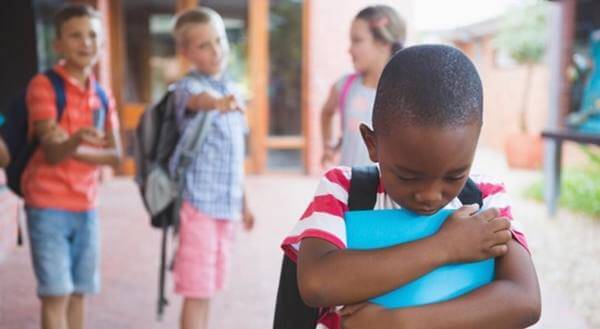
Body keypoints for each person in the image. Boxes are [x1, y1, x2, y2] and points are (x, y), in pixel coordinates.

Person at [282, 45, 541, 328]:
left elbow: (524, 300)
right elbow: (317, 283)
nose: (430, 196)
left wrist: (398, 323)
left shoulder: (486, 199)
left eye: (454, 176)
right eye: (408, 177)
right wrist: (445, 246)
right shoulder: (343, 191)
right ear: (372, 144)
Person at [22, 4, 122, 329]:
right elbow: (51, 154)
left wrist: (69, 143)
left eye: (93, 35)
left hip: (87, 206)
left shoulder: (103, 95)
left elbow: (117, 157)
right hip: (47, 205)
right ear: (58, 45)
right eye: (75, 35)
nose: (86, 43)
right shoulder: (44, 85)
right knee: (56, 295)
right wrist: (78, 139)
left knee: (79, 294)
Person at [170, 7, 255, 329]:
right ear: (186, 53)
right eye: (204, 45)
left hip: (226, 207)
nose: (216, 49)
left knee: (209, 289)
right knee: (196, 290)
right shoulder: (187, 88)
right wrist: (216, 104)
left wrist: (245, 202)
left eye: (219, 40)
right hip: (199, 207)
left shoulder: (229, 89)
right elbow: (196, 100)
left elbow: (235, 157)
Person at [321, 5, 405, 168]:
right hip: (350, 188)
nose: (349, 49)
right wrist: (328, 145)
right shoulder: (344, 86)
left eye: (357, 40)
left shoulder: (405, 93)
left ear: (384, 43)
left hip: (386, 191)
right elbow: (326, 113)